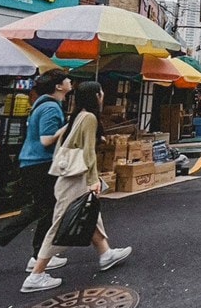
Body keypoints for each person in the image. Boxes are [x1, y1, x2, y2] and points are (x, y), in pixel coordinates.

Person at [22, 82, 131, 293]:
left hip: (70, 175)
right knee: (62, 224)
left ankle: (105, 253)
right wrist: (93, 180)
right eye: (101, 92)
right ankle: (36, 273)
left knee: (91, 215)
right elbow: (88, 152)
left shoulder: (78, 115)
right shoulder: (89, 117)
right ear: (96, 95)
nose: (103, 95)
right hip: (76, 178)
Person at [0, 71, 72, 275]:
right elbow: (46, 139)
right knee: (47, 208)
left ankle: (33, 254)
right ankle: (32, 255)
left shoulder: (42, 105)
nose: (70, 81)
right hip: (40, 163)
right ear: (58, 86)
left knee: (42, 208)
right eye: (66, 80)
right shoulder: (50, 107)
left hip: (32, 163)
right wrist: (70, 127)